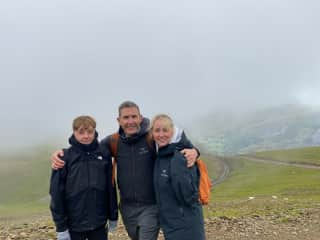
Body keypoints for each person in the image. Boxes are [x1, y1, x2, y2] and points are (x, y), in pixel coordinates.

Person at [51, 101, 199, 240]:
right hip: (127, 208)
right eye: (126, 117)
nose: (130, 121)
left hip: (150, 206)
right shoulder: (113, 141)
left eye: (134, 116)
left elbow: (177, 143)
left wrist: (195, 151)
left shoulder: (152, 137)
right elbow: (90, 150)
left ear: (140, 118)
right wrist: (61, 154)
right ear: (119, 120)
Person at [49, 116, 118, 240]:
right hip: (73, 225)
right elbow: (56, 193)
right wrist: (61, 228)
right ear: (74, 132)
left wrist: (113, 216)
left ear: (94, 132)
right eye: (81, 132)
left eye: (90, 132)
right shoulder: (64, 157)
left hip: (99, 223)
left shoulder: (104, 154)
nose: (86, 136)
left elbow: (110, 187)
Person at [150, 114, 206, 240]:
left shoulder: (179, 156)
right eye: (157, 130)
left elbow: (188, 195)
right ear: (152, 133)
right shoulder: (162, 154)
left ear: (172, 131)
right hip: (172, 222)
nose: (161, 134)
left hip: (184, 223)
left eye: (165, 130)